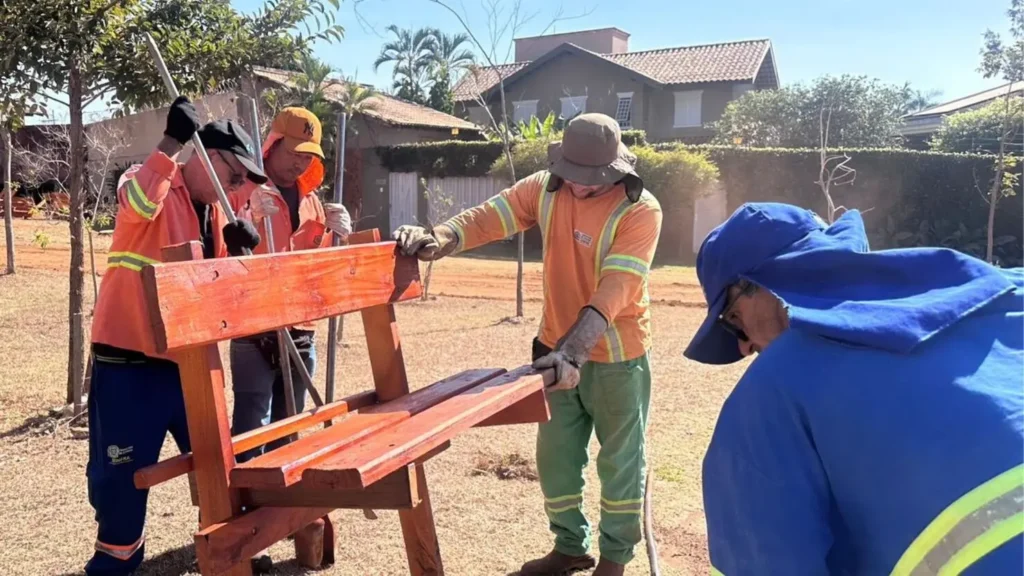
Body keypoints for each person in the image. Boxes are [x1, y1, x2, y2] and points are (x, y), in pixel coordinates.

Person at [684, 202, 1023, 575]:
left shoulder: (773, 389)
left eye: (733, 319)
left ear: (763, 287)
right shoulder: (1007, 293)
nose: (743, 346)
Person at [394, 113, 662, 576]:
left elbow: (615, 288)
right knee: (555, 457)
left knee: (620, 462)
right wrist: (441, 237)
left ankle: (614, 562)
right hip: (553, 350)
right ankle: (569, 548)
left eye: (591, 180)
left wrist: (573, 354)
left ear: (616, 170)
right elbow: (490, 217)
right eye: (573, 176)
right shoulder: (545, 186)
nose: (579, 187)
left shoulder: (640, 210)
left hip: (617, 358)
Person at [86, 96, 265, 575]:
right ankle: (116, 564)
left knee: (219, 464)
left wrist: (235, 259)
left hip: (189, 364)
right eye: (235, 175)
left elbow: (219, 303)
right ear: (206, 156)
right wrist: (171, 142)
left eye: (244, 181)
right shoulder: (149, 184)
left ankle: (231, 552)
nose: (240, 187)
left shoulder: (215, 218)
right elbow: (136, 203)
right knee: (121, 479)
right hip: (129, 364)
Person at [228, 106, 351, 462]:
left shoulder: (313, 202)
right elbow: (223, 249)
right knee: (252, 430)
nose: (300, 162)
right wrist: (246, 217)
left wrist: (337, 231)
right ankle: (246, 510)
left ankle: (286, 513)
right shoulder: (244, 190)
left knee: (290, 432)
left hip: (302, 330)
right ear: (273, 144)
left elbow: (319, 267)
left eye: (308, 154)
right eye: (294, 151)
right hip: (255, 329)